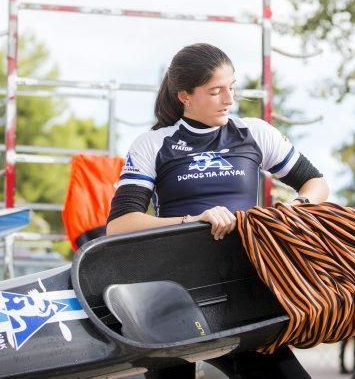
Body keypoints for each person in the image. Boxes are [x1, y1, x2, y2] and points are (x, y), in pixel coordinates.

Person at [107, 43, 329, 378]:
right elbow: (120, 225)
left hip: (244, 291)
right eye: (215, 91)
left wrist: (294, 209)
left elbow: (316, 183)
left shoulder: (254, 133)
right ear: (185, 95)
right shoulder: (153, 144)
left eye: (232, 87)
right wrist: (193, 221)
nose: (229, 99)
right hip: (172, 296)